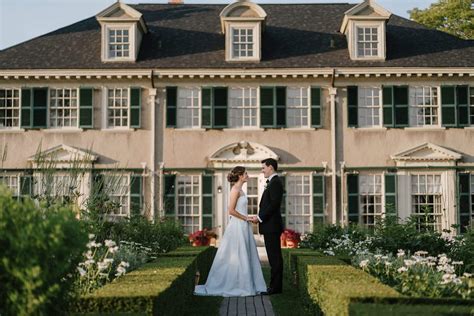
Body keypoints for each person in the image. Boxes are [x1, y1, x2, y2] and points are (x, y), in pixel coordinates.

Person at [194, 166, 267, 297]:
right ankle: (235, 284)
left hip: (243, 225)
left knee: (245, 254)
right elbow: (231, 211)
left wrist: (247, 218)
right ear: (239, 176)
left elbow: (239, 209)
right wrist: (247, 218)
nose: (247, 175)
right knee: (235, 255)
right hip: (237, 226)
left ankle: (245, 283)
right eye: (245, 173)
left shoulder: (241, 190)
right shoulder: (235, 190)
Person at [248, 158, 284, 295]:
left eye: (263, 168)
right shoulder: (273, 182)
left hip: (272, 226)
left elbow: (273, 205)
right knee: (273, 257)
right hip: (270, 226)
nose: (262, 170)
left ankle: (275, 288)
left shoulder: (275, 183)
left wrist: (260, 217)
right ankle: (275, 287)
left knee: (274, 258)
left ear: (270, 167)